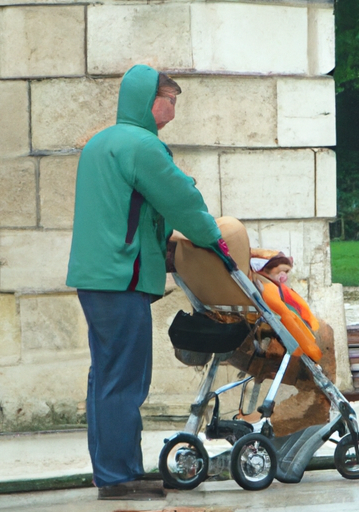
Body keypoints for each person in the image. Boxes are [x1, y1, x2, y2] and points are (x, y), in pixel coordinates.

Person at [66, 65, 232, 499]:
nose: (173, 108)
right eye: (169, 98)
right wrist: (214, 240)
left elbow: (129, 210)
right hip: (121, 278)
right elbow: (181, 200)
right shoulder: (142, 146)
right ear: (147, 100)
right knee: (124, 379)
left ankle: (112, 471)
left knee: (105, 376)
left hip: (96, 276)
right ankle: (119, 477)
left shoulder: (101, 143)